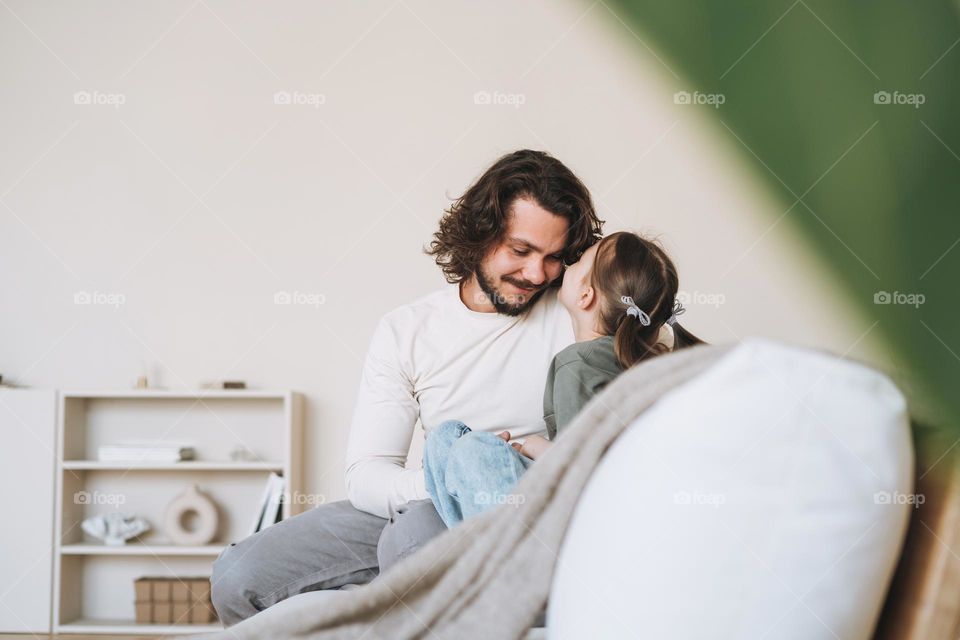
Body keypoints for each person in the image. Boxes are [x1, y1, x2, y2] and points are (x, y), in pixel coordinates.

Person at [210, 149, 604, 626]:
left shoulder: (580, 313)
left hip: (519, 507)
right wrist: (449, 475)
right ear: (480, 233)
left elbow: (647, 365)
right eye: (520, 251)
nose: (537, 274)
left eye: (553, 257)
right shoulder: (408, 330)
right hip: (430, 495)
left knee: (411, 540)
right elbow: (367, 473)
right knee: (237, 577)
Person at [424, 231, 705, 527]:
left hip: (581, 516)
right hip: (583, 500)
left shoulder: (579, 365)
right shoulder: (626, 362)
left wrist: (534, 446)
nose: (568, 266)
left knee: (473, 449)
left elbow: (583, 473)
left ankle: (500, 550)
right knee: (447, 437)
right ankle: (480, 542)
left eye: (580, 262)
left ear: (586, 296)